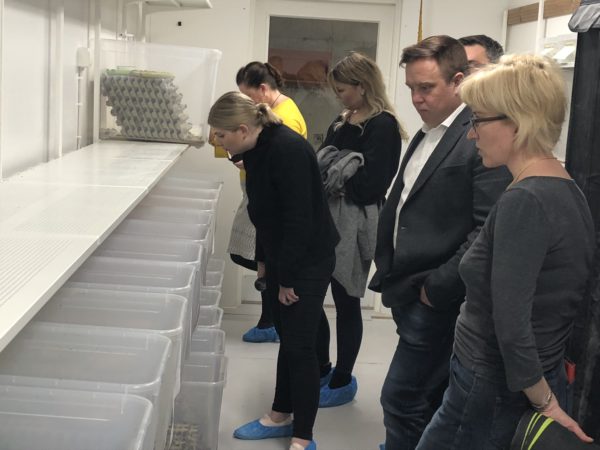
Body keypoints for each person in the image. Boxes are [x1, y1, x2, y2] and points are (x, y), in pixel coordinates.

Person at [415, 53, 595, 449]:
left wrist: (546, 403)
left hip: (492, 386)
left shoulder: (526, 201)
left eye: (477, 120)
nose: (471, 135)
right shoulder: (563, 187)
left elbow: (512, 325)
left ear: (517, 121)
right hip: (501, 380)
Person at [368, 35, 511, 450]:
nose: (416, 98)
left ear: (459, 81)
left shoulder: (478, 135)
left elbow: (487, 230)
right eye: (411, 87)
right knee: (428, 398)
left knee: (400, 399)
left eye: (426, 88)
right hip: (408, 287)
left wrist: (437, 289)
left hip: (437, 296)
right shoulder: (428, 131)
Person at [208, 92, 339, 450]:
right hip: (285, 256)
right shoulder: (256, 151)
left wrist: (288, 279)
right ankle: (280, 414)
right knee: (288, 338)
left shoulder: (287, 150)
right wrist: (264, 265)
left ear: (242, 129)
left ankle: (303, 436)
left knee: (300, 346)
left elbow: (299, 220)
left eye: (221, 134)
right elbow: (266, 216)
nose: (217, 141)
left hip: (308, 259)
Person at [315, 52, 407, 408]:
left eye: (343, 90)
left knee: (346, 299)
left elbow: (370, 185)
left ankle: (342, 378)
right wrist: (340, 168)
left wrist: (337, 171)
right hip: (327, 216)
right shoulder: (343, 120)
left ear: (363, 86)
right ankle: (322, 367)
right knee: (311, 296)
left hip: (356, 221)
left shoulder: (382, 126)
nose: (339, 96)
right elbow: (324, 165)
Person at [213, 61, 308, 343]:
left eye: (248, 95)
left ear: (263, 89)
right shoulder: (269, 114)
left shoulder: (285, 121)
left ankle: (272, 321)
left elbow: (278, 172)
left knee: (266, 258)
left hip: (271, 203)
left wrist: (249, 160)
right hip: (257, 196)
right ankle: (270, 319)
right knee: (260, 257)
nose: (246, 102)